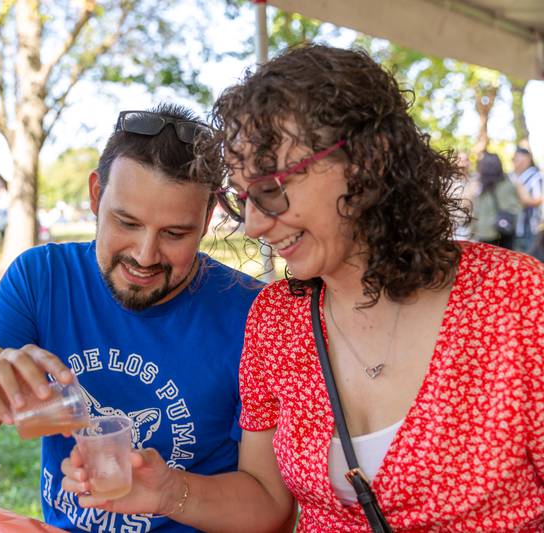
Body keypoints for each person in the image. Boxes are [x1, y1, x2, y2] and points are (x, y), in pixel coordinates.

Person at [63, 45, 544, 531]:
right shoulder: (277, 320)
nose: (252, 225)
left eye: (270, 190)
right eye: (243, 198)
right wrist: (166, 491)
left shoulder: (517, 300)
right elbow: (270, 500)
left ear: (368, 160)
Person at [0, 103, 264, 532]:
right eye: (126, 222)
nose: (145, 255)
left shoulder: (253, 312)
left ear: (207, 217)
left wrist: (168, 491)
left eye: (174, 234)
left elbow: (270, 511)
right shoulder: (42, 278)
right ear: (96, 195)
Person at [469, 152, 522, 249]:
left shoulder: (479, 185)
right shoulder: (507, 183)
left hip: (484, 233)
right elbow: (515, 207)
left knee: (488, 262)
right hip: (504, 230)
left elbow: (474, 210)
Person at [509, 146, 544, 252]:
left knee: (528, 258)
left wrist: (523, 200)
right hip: (512, 226)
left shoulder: (536, 176)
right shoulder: (511, 175)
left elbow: (539, 199)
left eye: (521, 159)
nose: (518, 162)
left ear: (528, 159)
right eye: (516, 159)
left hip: (529, 225)